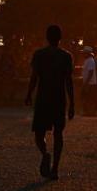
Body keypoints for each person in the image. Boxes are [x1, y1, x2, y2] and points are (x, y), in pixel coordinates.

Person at [25, 24, 75, 180]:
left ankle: (46, 154)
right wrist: (72, 103)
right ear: (60, 38)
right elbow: (69, 82)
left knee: (39, 134)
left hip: (43, 99)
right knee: (58, 134)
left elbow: (34, 77)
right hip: (59, 99)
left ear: (47, 37)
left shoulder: (39, 55)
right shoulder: (66, 56)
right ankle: (55, 169)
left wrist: (28, 94)